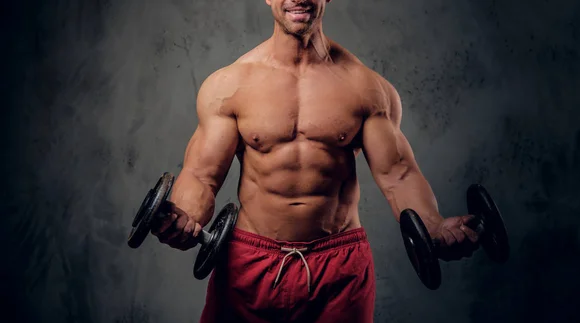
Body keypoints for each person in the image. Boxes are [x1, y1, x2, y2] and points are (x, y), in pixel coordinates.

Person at [151, 0, 480, 322]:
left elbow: (399, 174)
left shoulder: (366, 88)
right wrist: (185, 219)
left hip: (339, 269)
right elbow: (201, 174)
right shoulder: (230, 86)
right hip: (247, 265)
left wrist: (434, 226)